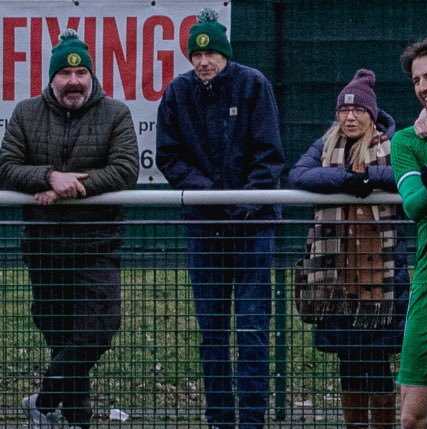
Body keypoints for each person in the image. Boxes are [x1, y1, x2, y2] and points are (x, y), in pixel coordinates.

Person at [0, 29, 138, 429]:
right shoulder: (26, 113)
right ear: (52, 78)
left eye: (81, 73)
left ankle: (42, 402)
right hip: (44, 245)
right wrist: (48, 175)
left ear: (92, 76)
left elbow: (125, 169)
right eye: (64, 74)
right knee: (59, 332)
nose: (73, 81)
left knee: (99, 326)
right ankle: (78, 419)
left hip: (96, 244)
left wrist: (66, 189)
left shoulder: (116, 113)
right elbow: (7, 166)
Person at [156, 8, 283, 429]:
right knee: (212, 335)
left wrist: (243, 205)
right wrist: (212, 198)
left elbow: (269, 156)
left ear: (225, 54)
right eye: (196, 55)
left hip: (252, 231)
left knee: (251, 331)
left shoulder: (254, 85)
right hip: (203, 232)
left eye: (210, 54)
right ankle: (219, 420)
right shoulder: (177, 93)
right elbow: (169, 157)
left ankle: (252, 420)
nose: (203, 61)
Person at [288, 69, 408, 429]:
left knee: (377, 359)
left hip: (383, 277)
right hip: (336, 275)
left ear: (371, 114)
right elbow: (299, 174)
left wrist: (370, 178)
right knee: (349, 359)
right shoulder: (325, 145)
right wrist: (345, 180)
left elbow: (405, 173)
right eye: (343, 111)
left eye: (357, 111)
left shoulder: (393, 143)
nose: (350, 117)